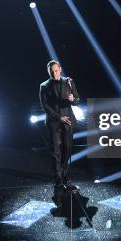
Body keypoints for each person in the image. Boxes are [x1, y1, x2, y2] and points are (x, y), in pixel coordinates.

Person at [39, 60, 80, 191]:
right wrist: (58, 117)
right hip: (54, 122)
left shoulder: (68, 81)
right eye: (52, 71)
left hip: (68, 120)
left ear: (60, 69)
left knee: (67, 149)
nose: (54, 73)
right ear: (48, 72)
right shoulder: (44, 86)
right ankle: (59, 178)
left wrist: (73, 100)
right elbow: (45, 106)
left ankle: (64, 174)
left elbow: (77, 100)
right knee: (56, 152)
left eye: (56, 70)